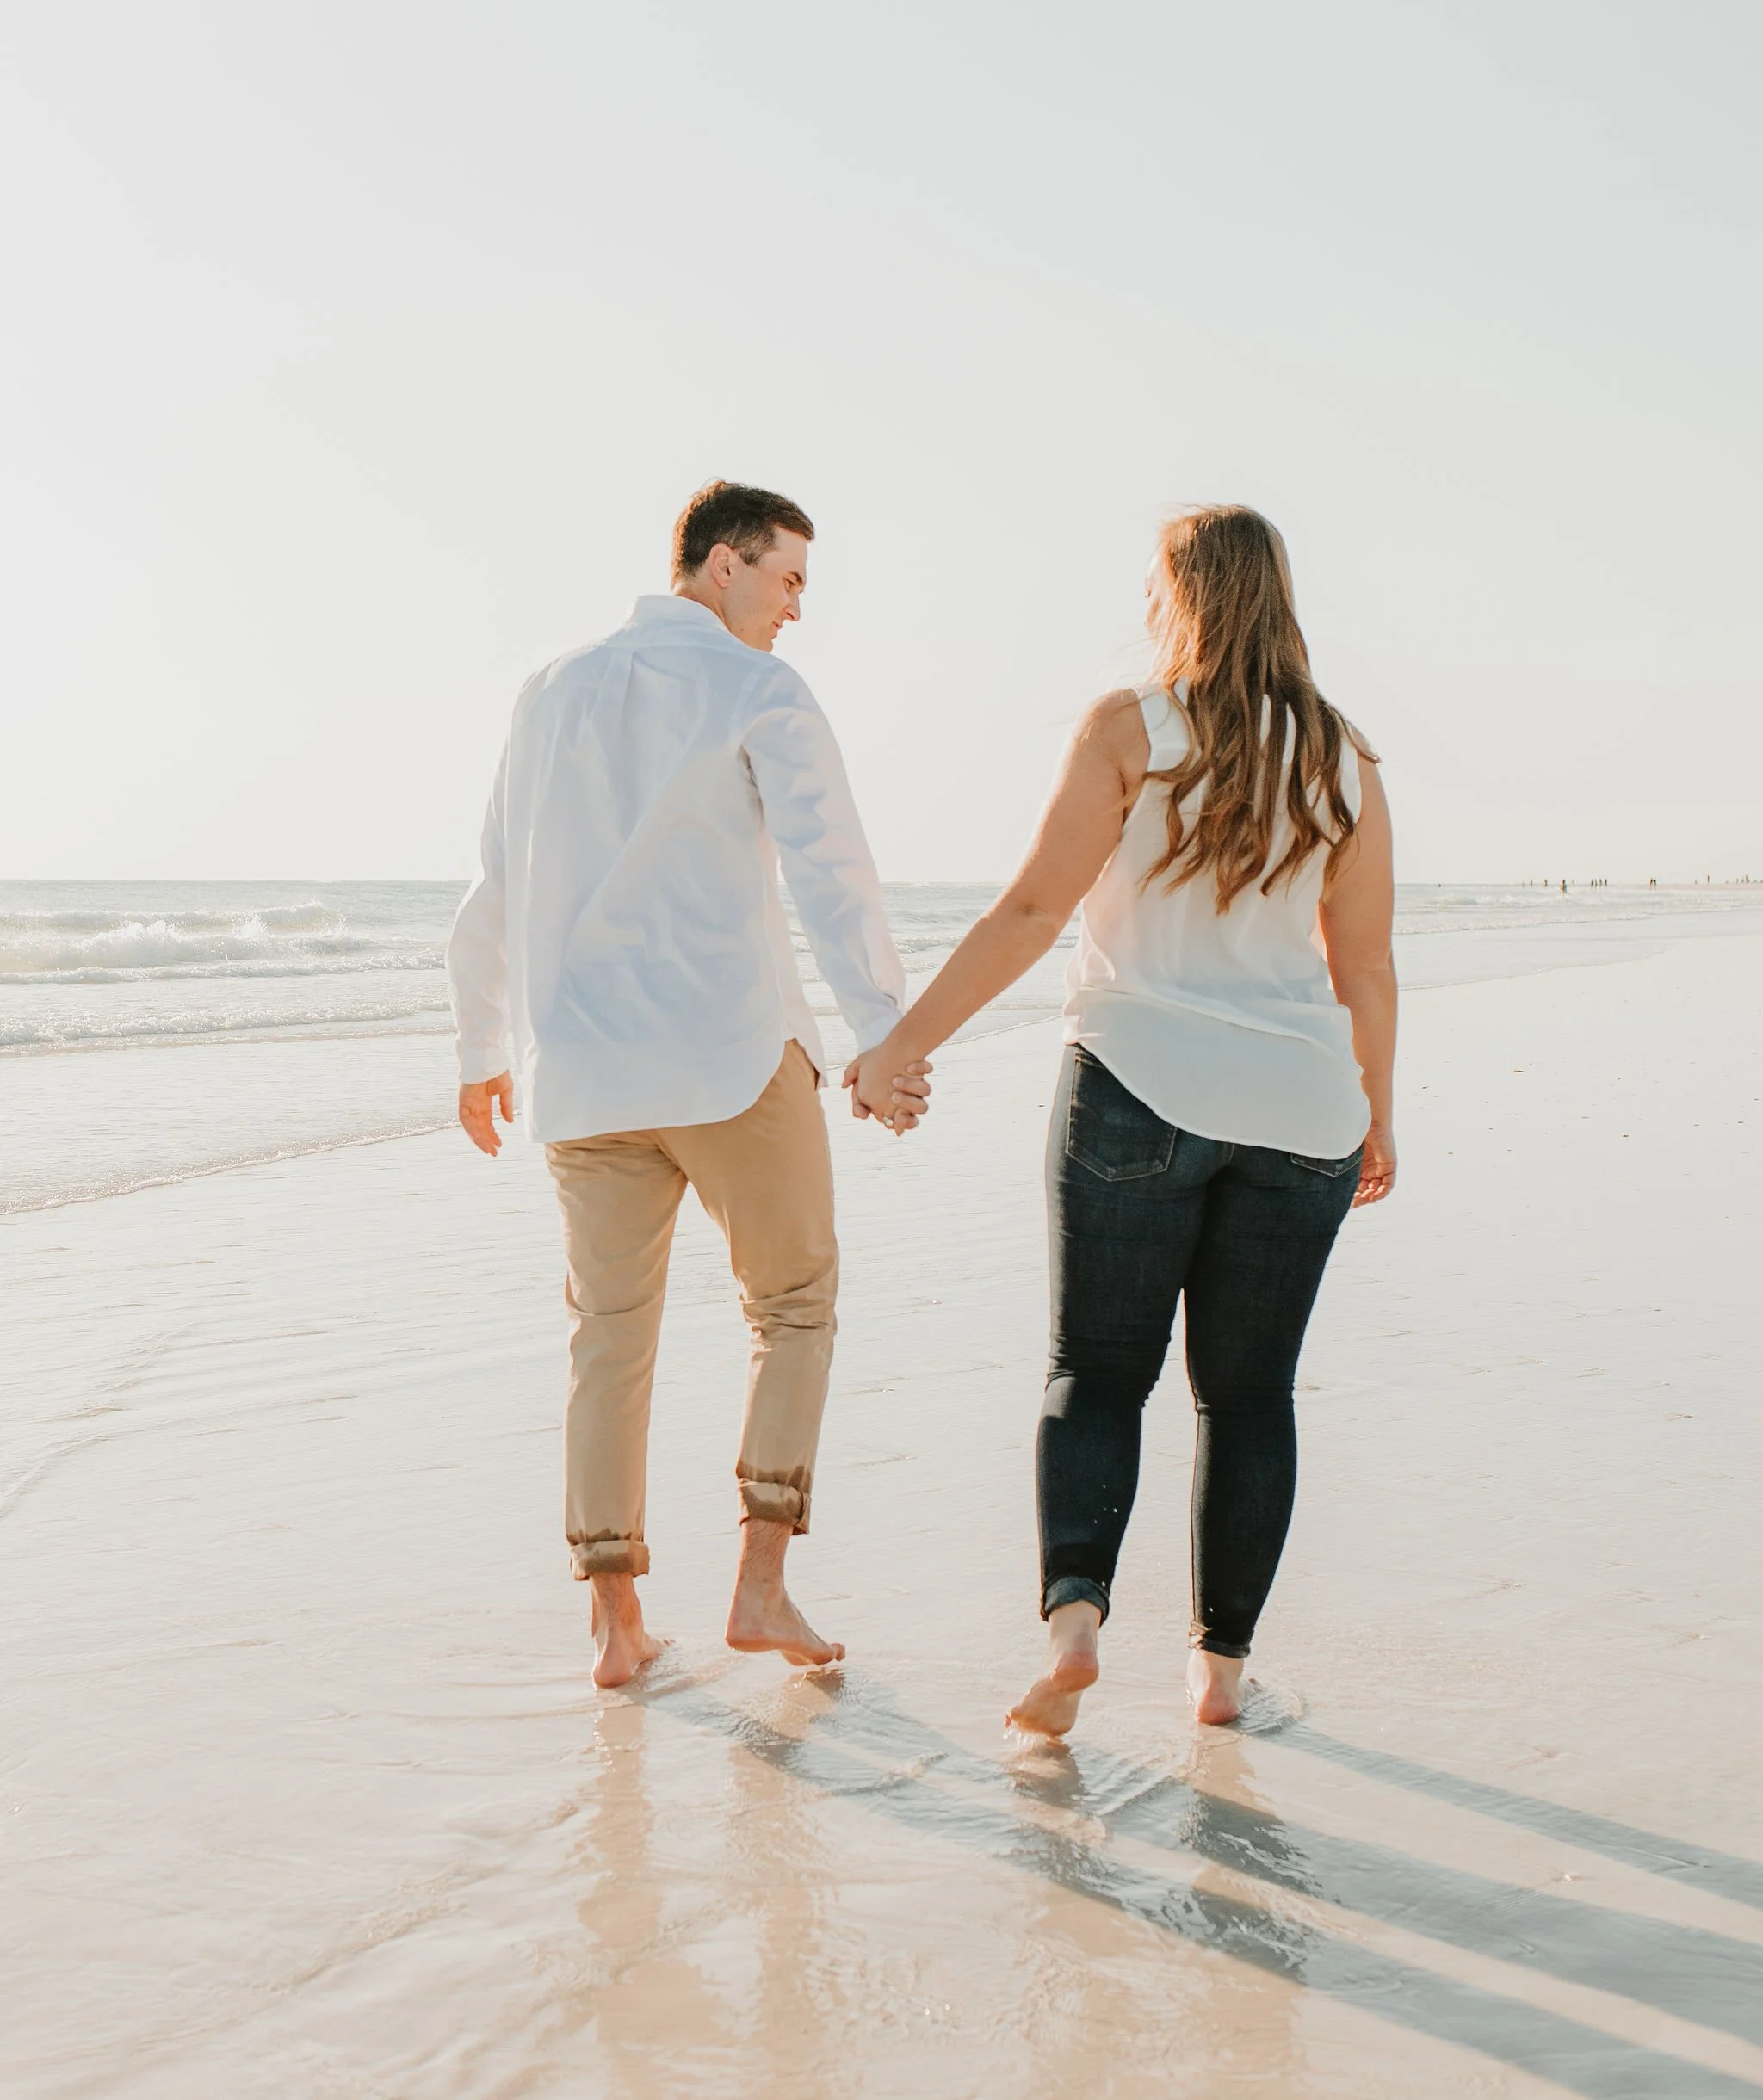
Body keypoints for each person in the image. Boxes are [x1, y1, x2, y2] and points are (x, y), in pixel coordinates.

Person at [848, 504, 1396, 1735]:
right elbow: (1365, 966)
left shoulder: (1131, 728)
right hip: (1305, 1107)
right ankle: (1221, 1677)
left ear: (1180, 595)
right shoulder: (1345, 758)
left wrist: (902, 1044)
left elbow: (1035, 907)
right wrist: (1381, 1112)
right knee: (1249, 1398)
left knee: (1097, 1371)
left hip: (1137, 1082)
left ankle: (1078, 1622)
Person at [448, 481, 930, 1690]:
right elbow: (832, 868)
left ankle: (615, 1624)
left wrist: (478, 1049)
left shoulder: (547, 689)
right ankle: (760, 1585)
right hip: (726, 1055)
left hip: (586, 1072)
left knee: (607, 1339)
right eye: (788, 580)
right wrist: (881, 1031)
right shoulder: (756, 687)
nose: (796, 609)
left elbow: (495, 881)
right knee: (796, 1302)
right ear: (723, 565)